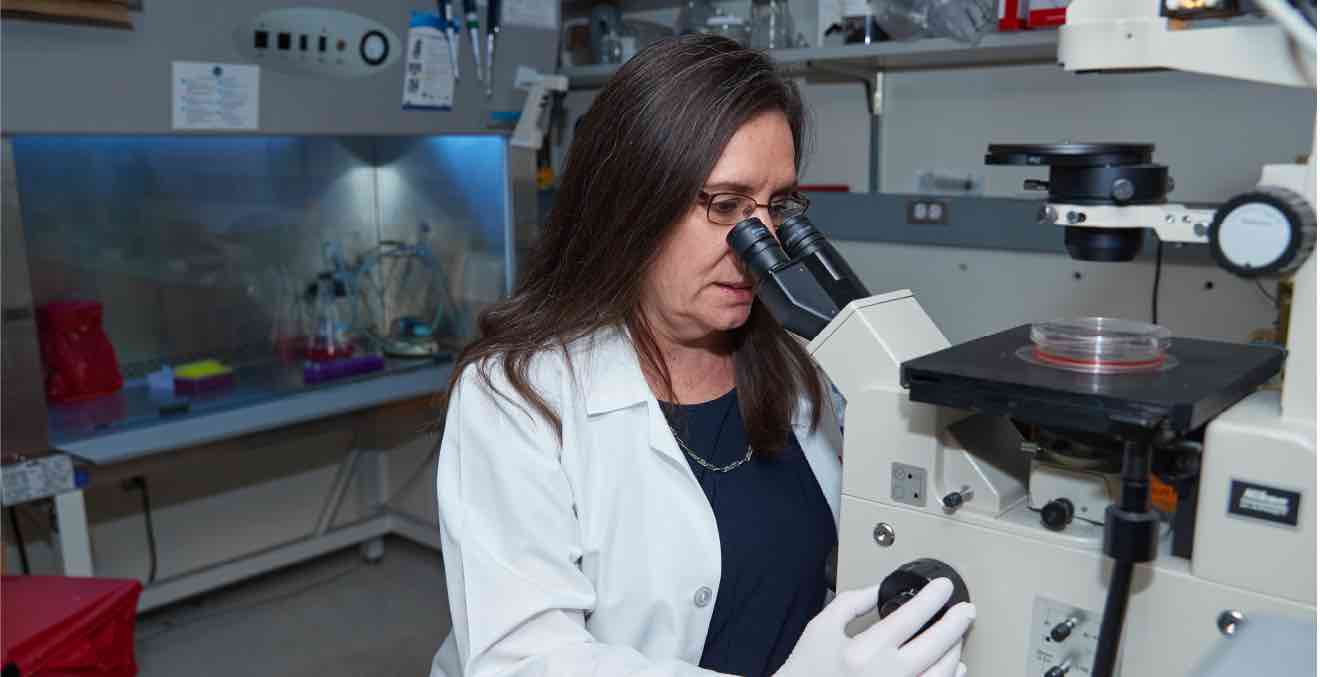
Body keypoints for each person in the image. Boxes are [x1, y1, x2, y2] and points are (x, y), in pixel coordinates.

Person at [430, 34, 975, 677]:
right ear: (633, 203)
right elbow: (522, 664)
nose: (759, 241)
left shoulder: (801, 362)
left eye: (777, 208)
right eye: (726, 206)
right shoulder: (517, 395)